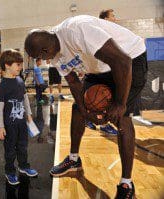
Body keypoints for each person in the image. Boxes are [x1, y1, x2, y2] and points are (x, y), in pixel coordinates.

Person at [25, 15, 148, 199]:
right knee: (78, 108)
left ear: (45, 49)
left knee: (122, 117)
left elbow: (122, 61)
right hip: (98, 68)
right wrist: (86, 112)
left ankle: (126, 183)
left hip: (130, 58)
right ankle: (74, 160)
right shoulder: (55, 54)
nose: (44, 61)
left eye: (40, 57)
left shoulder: (77, 30)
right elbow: (74, 83)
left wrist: (120, 104)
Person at [0, 49, 38, 185]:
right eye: (18, 64)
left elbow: (25, 99)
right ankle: (9, 171)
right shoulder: (2, 86)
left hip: (21, 123)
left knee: (22, 146)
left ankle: (24, 166)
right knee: (10, 150)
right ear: (7, 65)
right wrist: (0, 127)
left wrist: (29, 115)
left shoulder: (20, 81)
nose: (20, 67)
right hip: (9, 125)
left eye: (20, 64)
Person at [85, 9, 119, 135]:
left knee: (98, 98)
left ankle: (92, 120)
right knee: (100, 97)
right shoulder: (100, 31)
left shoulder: (110, 32)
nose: (115, 18)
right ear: (105, 19)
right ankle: (102, 123)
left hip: (104, 69)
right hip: (98, 70)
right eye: (113, 16)